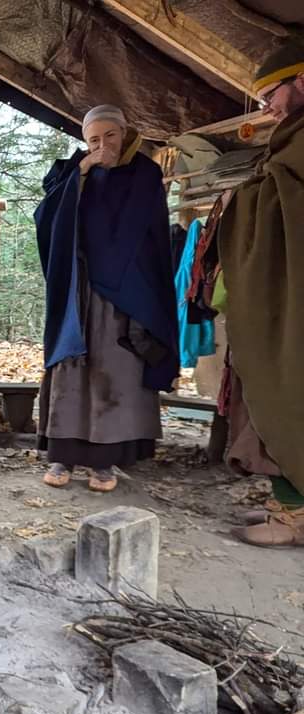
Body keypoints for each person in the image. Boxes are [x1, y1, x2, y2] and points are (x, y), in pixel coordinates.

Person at [34, 104, 178, 492]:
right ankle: (62, 455)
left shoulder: (144, 173)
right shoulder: (69, 172)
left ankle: (105, 463)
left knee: (118, 371)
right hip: (77, 290)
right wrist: (81, 175)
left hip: (126, 295)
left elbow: (150, 238)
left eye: (109, 136)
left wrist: (133, 286)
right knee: (71, 368)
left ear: (124, 133)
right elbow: (47, 219)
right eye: (93, 139)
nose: (102, 145)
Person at [216, 40, 304, 546]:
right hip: (284, 290)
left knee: (290, 391)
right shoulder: (290, 138)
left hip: (294, 303)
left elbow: (286, 202)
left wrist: (244, 198)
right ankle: (288, 503)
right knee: (273, 389)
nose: (266, 107)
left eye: (272, 94)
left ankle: (294, 518)